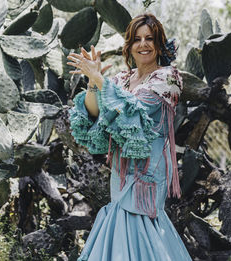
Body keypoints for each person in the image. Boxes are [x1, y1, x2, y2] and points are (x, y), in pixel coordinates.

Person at [67, 13, 192, 261]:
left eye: (150, 39)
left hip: (147, 174)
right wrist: (93, 82)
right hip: (120, 172)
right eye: (137, 39)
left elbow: (136, 110)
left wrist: (102, 81)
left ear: (159, 45)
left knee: (139, 226)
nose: (143, 44)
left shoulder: (168, 78)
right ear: (129, 46)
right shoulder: (122, 80)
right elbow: (95, 112)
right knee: (122, 228)